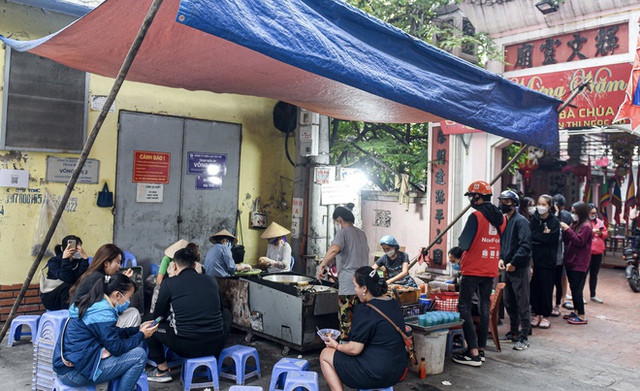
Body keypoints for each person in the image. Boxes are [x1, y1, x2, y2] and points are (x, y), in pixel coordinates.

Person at [53, 273, 157, 391]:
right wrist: (142, 335)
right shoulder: (103, 312)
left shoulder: (95, 304)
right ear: (117, 294)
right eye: (128, 297)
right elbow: (116, 348)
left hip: (71, 368)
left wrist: (137, 329)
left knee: (132, 354)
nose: (128, 301)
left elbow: (112, 333)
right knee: (139, 355)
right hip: (74, 374)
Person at [146, 248, 231, 383]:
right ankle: (214, 359)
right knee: (227, 314)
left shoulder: (169, 283)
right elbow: (221, 310)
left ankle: (162, 370)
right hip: (215, 343)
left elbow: (159, 315)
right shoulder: (211, 280)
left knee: (148, 321)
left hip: (186, 347)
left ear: (174, 266)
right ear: (195, 265)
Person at [319, 266, 406, 391]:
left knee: (325, 354)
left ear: (364, 288)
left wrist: (335, 345)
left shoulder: (365, 310)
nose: (355, 290)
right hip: (397, 371)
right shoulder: (392, 302)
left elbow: (354, 349)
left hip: (375, 374)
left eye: (355, 286)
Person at [452, 181, 506, 367]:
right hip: (490, 268)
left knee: (464, 307)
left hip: (473, 268)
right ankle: (481, 349)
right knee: (484, 308)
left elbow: (464, 244)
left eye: (471, 197)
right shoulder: (502, 219)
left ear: (477, 197)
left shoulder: (476, 216)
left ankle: (472, 352)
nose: (471, 200)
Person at [317, 206, 370, 340]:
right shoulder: (361, 233)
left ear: (339, 220)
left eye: (335, 222)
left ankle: (346, 352)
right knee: (361, 322)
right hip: (363, 287)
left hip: (348, 286)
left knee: (346, 324)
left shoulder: (343, 233)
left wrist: (322, 265)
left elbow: (334, 249)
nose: (336, 225)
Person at [71, 244, 140, 328]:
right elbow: (113, 307)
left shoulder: (93, 274)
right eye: (117, 262)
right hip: (87, 325)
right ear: (106, 263)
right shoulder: (98, 279)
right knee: (134, 314)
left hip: (85, 321)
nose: (119, 267)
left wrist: (124, 280)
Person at [498, 189, 532, 351]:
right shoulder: (504, 221)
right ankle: (513, 331)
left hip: (519, 268)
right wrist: (501, 259)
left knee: (522, 302)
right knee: (508, 301)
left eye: (506, 202)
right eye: (502, 201)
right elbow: (502, 244)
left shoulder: (521, 221)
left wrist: (514, 262)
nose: (503, 205)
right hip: (507, 267)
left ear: (514, 204)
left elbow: (525, 246)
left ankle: (524, 335)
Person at [529, 195, 560, 330]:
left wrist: (542, 237)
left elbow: (551, 239)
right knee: (534, 288)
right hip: (534, 260)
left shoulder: (554, 222)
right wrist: (543, 235)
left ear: (549, 206)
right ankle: (536, 313)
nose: (540, 206)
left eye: (544, 204)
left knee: (546, 288)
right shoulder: (534, 220)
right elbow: (531, 236)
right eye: (539, 203)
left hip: (548, 261)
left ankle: (546, 316)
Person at [560, 201, 593, 325]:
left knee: (577, 289)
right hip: (571, 261)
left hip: (580, 263)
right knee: (573, 288)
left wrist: (568, 230)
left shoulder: (586, 226)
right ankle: (576, 310)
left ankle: (582, 315)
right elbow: (568, 239)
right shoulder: (575, 224)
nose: (572, 214)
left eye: (574, 212)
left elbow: (579, 241)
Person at [41, 235, 89, 311]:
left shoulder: (77, 261)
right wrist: (65, 260)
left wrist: (84, 260)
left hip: (69, 296)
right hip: (51, 297)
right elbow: (66, 278)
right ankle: (69, 312)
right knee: (68, 284)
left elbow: (80, 278)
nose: (76, 249)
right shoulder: (54, 261)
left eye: (78, 246)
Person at [553, 193, 573, 310]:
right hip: (552, 252)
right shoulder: (548, 215)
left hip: (562, 251)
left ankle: (563, 299)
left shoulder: (566, 216)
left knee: (562, 276)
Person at [587, 203, 608, 304]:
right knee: (583, 274)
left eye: (595, 213)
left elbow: (605, 232)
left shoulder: (599, 222)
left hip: (598, 252)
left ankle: (593, 294)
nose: (593, 215)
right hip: (587, 253)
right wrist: (592, 231)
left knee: (594, 274)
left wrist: (601, 233)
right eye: (591, 213)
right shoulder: (584, 222)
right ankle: (579, 295)